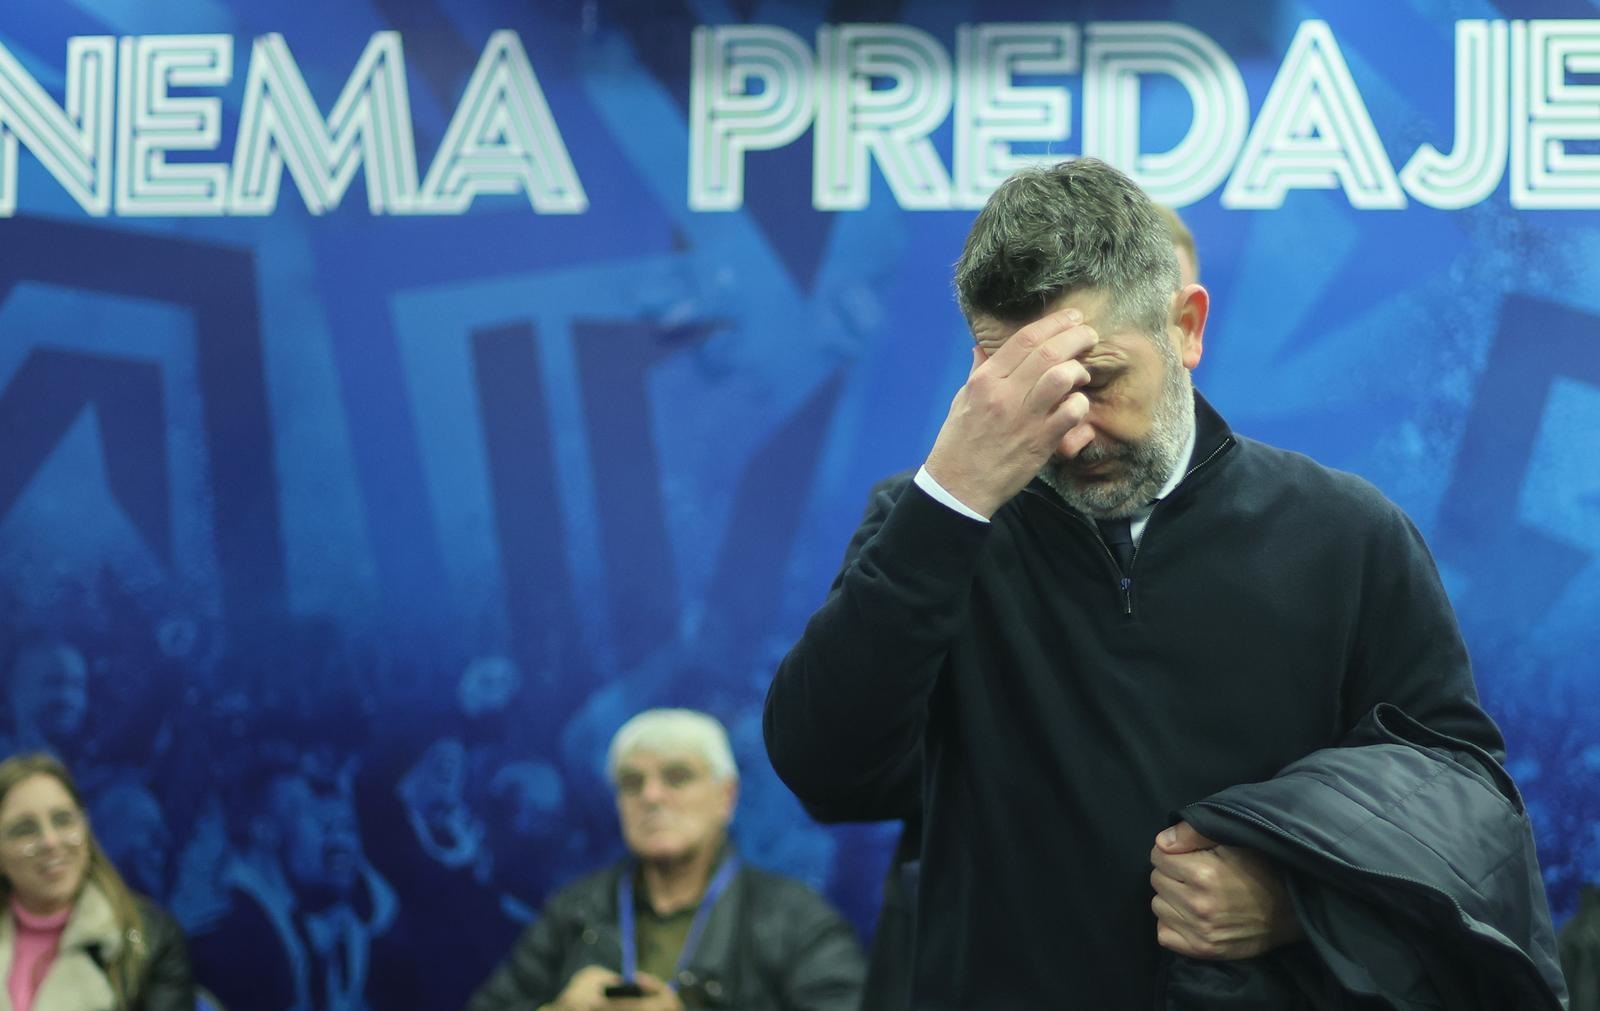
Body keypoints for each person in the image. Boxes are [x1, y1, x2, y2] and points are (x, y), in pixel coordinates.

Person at [763, 158, 1562, 1008]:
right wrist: (951, 495)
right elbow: (828, 774)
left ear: (1186, 326)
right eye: (1032, 389)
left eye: (1099, 380)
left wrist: (1303, 900)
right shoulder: (929, 522)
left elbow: (1464, 805)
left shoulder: (1347, 533)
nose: (1070, 435)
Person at [466, 708, 865, 1011]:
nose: (651, 797)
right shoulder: (572, 910)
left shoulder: (797, 920)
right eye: (631, 782)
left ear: (726, 796)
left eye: (677, 777)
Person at [0, 753, 194, 1011]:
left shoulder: (150, 940)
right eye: (25, 829)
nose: (50, 842)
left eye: (63, 820)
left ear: (85, 828)